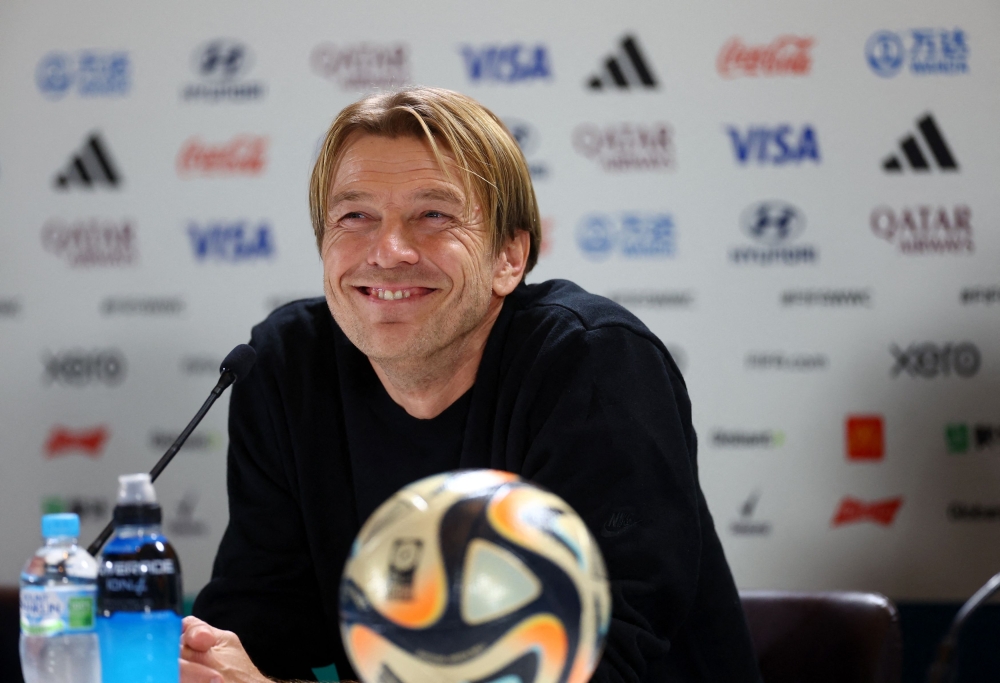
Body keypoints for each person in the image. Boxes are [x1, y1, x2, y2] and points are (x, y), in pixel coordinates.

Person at [180, 86, 760, 683]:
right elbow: (257, 624)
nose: (388, 250)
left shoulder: (593, 363)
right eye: (355, 216)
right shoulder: (283, 364)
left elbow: (594, 663)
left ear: (509, 256)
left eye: (433, 215)